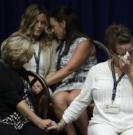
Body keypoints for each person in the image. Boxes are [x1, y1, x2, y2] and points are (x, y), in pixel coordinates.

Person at [48, 24, 133, 135]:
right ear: (112, 53)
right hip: (104, 123)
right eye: (123, 54)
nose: (128, 57)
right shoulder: (97, 71)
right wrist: (61, 124)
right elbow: (81, 101)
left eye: (131, 52)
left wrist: (130, 72)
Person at [0, 35, 55, 135]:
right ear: (15, 55)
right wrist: (39, 121)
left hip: (17, 119)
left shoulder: (17, 68)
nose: (26, 61)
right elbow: (17, 101)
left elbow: (24, 86)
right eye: (25, 57)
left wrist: (31, 87)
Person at [46, 6, 97, 135]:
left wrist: (44, 82)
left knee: (74, 98)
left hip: (84, 83)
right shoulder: (59, 44)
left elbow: (70, 68)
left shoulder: (84, 42)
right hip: (66, 85)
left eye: (53, 26)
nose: (52, 30)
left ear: (63, 24)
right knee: (57, 99)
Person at [17, 4, 57, 79]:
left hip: (43, 85)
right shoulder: (18, 41)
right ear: (29, 21)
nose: (39, 26)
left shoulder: (50, 44)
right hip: (22, 84)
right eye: (36, 22)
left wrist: (43, 84)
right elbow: (14, 69)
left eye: (42, 23)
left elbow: (52, 71)